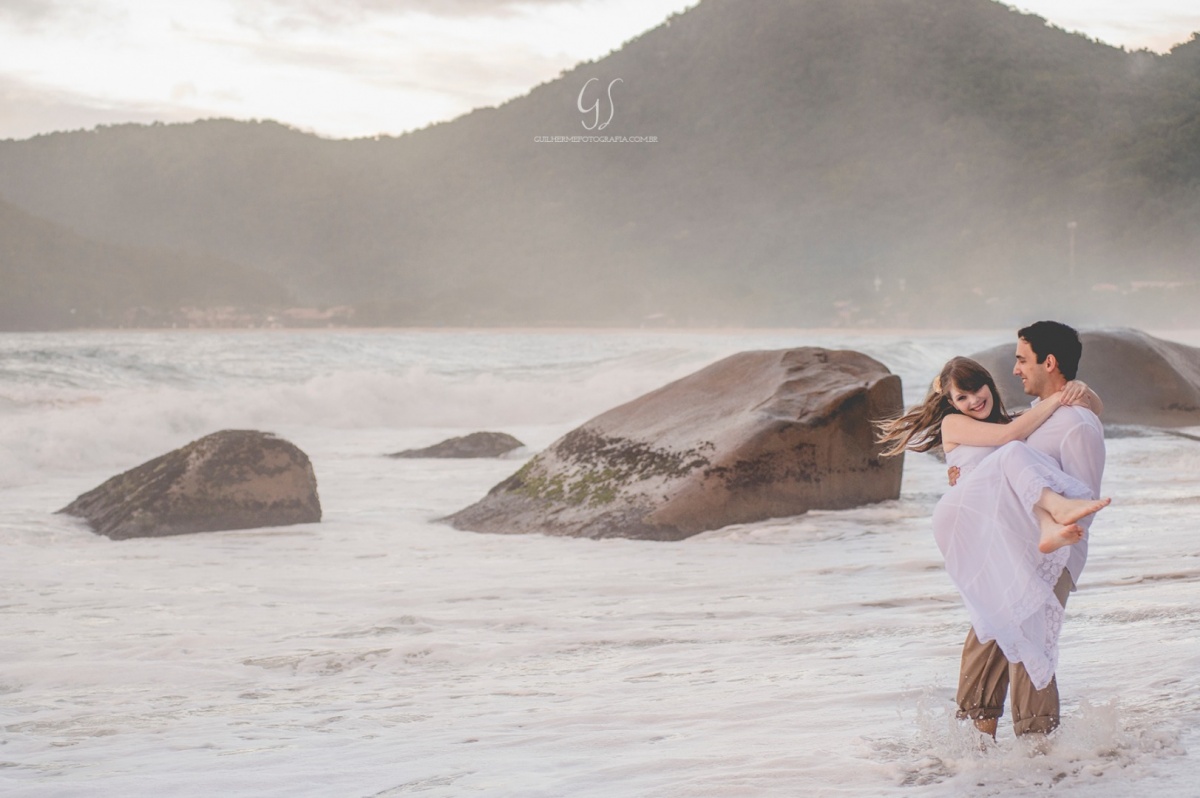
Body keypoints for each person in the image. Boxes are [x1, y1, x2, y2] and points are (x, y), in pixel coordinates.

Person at [876, 330, 1108, 739]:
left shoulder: (1033, 420)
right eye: (960, 398)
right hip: (979, 533)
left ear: (1048, 362)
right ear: (950, 403)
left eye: (1022, 359)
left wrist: (1081, 393)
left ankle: (1033, 749)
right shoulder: (978, 424)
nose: (1015, 368)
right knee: (1000, 628)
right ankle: (973, 746)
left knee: (1008, 631)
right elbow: (1007, 443)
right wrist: (1061, 397)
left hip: (1022, 544)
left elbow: (1078, 441)